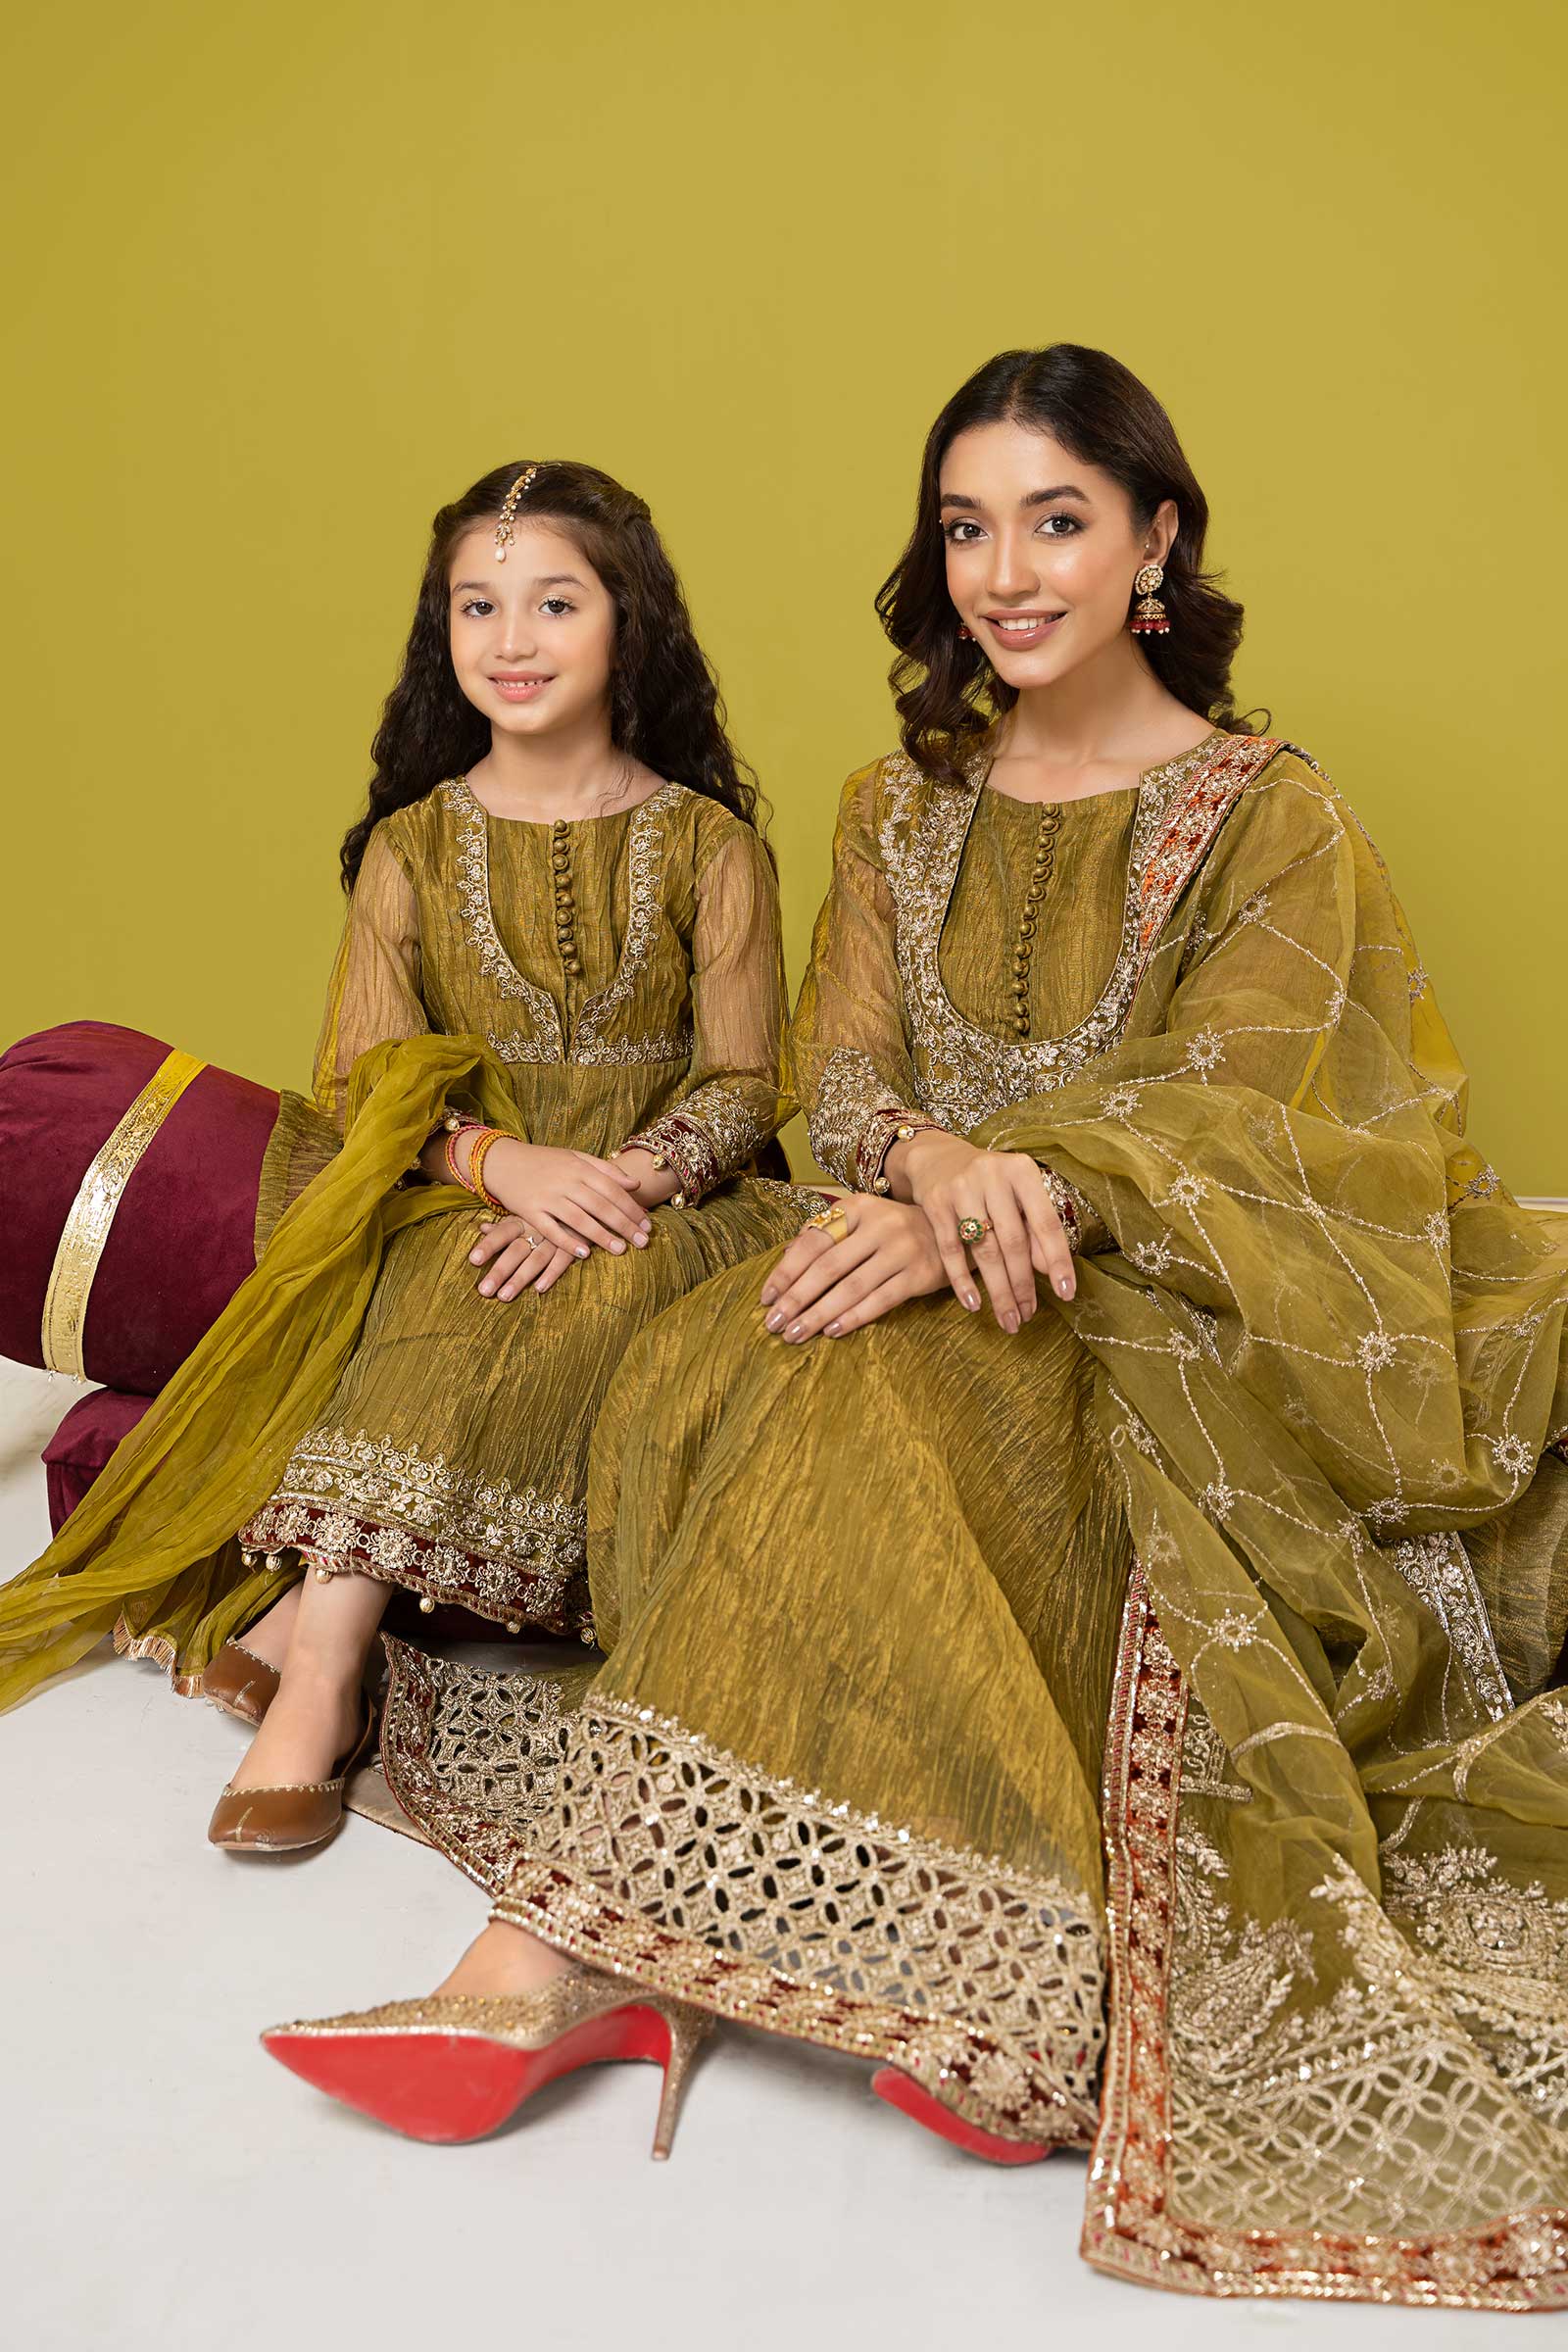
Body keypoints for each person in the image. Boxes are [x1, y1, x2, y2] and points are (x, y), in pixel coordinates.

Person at [267, 349, 1568, 2306]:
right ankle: (839, 1953)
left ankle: (557, 1957)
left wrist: (1017, 1191)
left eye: (1056, 520)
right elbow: (847, 1075)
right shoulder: (897, 809)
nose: (1004, 573)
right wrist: (933, 1174)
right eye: (967, 528)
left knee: (879, 1381)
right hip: (895, 1242)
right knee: (728, 1354)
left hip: (1166, 1323)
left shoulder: (1272, 821)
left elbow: (1278, 1111)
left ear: (1156, 539)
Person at [0, 459, 815, 1868]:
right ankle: (325, 1667)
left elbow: (748, 1081)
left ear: (629, 622)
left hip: (667, 1206)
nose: (511, 640)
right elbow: (363, 1081)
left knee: (588, 1285)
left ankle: (304, 1650)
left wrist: (613, 1183)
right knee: (447, 1288)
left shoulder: (712, 847)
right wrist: (508, 1168)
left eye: (554, 602)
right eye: (476, 606)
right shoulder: (411, 848)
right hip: (458, 1195)